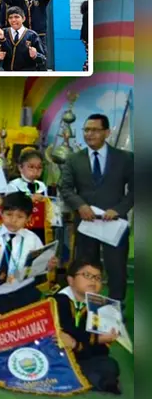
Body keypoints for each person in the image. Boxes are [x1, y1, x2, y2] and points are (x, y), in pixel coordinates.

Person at [58, 113, 133, 303]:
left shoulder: (125, 158)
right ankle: (85, 307)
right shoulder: (74, 159)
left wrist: (119, 209)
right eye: (86, 130)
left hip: (114, 223)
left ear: (106, 132)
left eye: (95, 130)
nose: (89, 134)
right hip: (86, 224)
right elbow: (65, 187)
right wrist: (80, 205)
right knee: (85, 268)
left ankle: (116, 310)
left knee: (116, 268)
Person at [53, 260, 122, 394]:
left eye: (98, 278)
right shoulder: (58, 300)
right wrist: (95, 339)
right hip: (58, 355)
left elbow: (100, 350)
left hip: (82, 355)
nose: (93, 281)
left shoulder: (101, 306)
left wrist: (83, 343)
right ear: (71, 280)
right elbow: (66, 333)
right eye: (87, 275)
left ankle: (84, 378)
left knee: (110, 365)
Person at [0, 192, 48, 314]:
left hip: (24, 293)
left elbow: (39, 266)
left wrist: (47, 265)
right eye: (9, 214)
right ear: (1, 213)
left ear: (28, 218)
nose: (13, 220)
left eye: (20, 217)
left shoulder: (32, 239)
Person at [0, 7, 46, 71]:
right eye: (10, 17)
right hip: (8, 74)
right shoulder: (3, 33)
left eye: (16, 17)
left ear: (23, 18)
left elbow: (43, 59)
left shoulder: (32, 35)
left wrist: (35, 56)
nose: (13, 20)